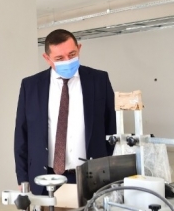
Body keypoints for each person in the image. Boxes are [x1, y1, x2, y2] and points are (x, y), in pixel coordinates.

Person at [14, 28, 116, 197]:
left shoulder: (99, 80)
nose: (67, 61)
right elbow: (21, 135)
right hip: (45, 177)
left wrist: (108, 169)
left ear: (79, 49)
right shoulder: (31, 86)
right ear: (47, 58)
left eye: (72, 54)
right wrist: (23, 178)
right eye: (59, 58)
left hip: (90, 177)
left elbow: (112, 127)